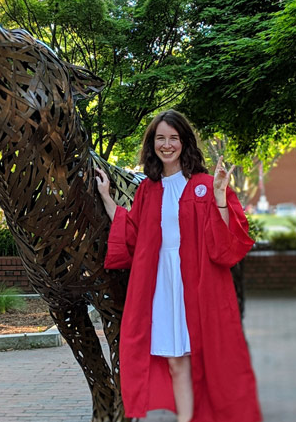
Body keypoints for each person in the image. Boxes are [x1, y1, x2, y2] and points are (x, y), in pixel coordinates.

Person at [94, 110, 262, 422]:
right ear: (152, 144)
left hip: (198, 281)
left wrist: (220, 197)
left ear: (184, 142)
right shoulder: (149, 189)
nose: (167, 144)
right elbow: (133, 233)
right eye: (160, 138)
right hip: (163, 283)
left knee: (206, 357)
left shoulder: (204, 185)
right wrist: (106, 197)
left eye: (173, 138)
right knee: (176, 360)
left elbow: (225, 241)